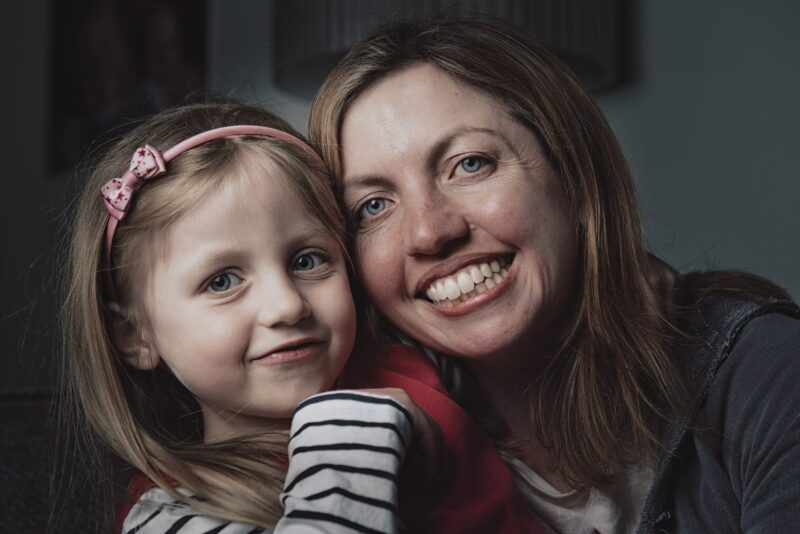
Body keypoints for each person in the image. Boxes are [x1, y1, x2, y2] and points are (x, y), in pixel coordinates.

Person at [308, 17, 800, 533]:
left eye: (469, 164)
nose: (430, 233)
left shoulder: (769, 374)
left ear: (571, 170)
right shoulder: (364, 431)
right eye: (373, 206)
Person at [59, 100, 539, 533]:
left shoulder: (408, 358)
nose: (288, 304)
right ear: (134, 335)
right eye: (222, 281)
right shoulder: (171, 514)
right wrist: (347, 442)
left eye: (307, 260)